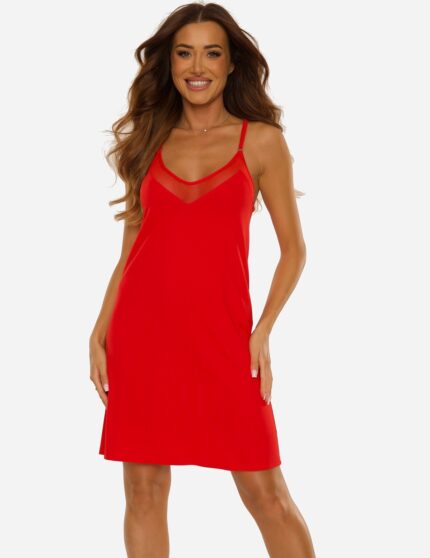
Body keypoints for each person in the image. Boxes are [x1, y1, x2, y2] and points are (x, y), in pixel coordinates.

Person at [89, 3, 315, 557]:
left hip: (226, 338)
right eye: (184, 53)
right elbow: (131, 251)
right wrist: (99, 331)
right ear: (168, 63)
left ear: (231, 63)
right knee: (143, 490)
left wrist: (263, 330)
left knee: (267, 494)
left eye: (211, 53)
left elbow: (294, 251)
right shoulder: (148, 139)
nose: (197, 67)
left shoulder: (260, 141)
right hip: (143, 336)